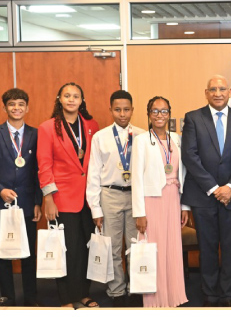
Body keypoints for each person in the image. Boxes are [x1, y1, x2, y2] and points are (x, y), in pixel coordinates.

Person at [181, 75, 231, 307]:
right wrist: (213, 188)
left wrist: (230, 187)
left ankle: (229, 293)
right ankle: (210, 294)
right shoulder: (193, 118)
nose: (218, 93)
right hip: (203, 196)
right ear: (206, 93)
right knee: (207, 247)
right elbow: (189, 156)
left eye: (222, 89)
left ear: (229, 93)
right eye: (213, 89)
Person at [37, 82, 100, 308]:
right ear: (59, 99)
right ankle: (65, 297)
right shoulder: (48, 127)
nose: (71, 99)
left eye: (76, 96)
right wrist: (49, 198)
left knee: (86, 248)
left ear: (82, 100)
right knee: (65, 249)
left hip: (89, 198)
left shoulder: (91, 125)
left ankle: (83, 293)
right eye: (67, 96)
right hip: (62, 198)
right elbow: (44, 165)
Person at [0, 88, 42, 306]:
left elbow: (39, 171)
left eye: (21, 104)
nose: (16, 108)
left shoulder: (36, 134)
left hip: (27, 204)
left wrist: (38, 202)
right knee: (3, 254)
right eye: (12, 104)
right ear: (4, 107)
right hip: (0, 204)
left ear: (27, 108)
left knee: (29, 254)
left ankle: (31, 299)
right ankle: (7, 298)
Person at [85, 90, 145, 307]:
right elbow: (93, 174)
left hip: (135, 195)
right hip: (109, 194)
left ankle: (136, 288)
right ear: (110, 110)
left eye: (126, 109)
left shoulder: (142, 136)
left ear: (132, 110)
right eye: (117, 110)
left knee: (136, 245)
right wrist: (95, 208)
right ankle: (117, 290)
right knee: (112, 246)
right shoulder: (100, 137)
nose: (122, 114)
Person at [131, 96, 189, 307]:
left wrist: (184, 206)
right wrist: (139, 213)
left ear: (169, 114)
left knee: (172, 249)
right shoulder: (141, 140)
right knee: (153, 249)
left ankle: (173, 296)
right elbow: (136, 178)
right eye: (155, 111)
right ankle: (155, 300)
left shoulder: (177, 139)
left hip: (173, 199)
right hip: (152, 200)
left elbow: (184, 173)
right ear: (148, 114)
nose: (159, 115)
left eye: (164, 111)